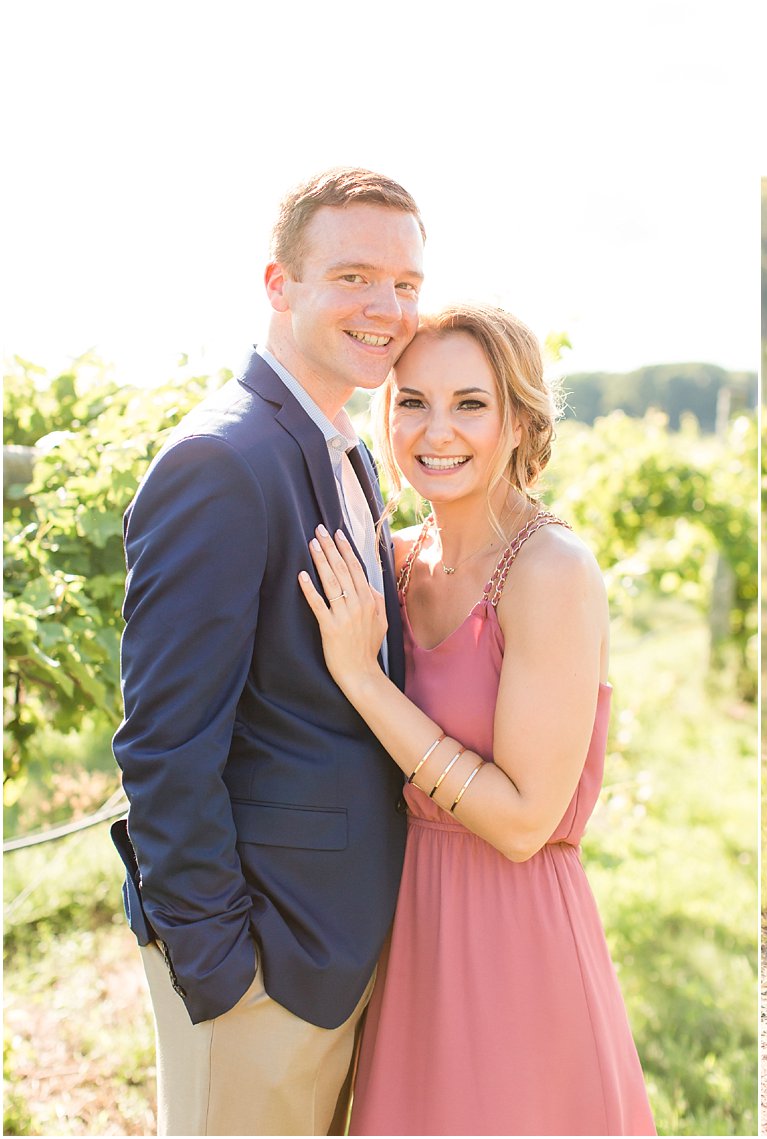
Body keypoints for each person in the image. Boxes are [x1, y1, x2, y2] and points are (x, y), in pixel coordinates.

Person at [111, 167, 424, 1134]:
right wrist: (224, 971)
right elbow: (165, 745)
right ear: (279, 284)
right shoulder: (221, 461)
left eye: (408, 285)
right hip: (263, 970)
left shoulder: (344, 450)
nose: (387, 307)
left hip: (332, 945)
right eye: (355, 277)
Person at [297, 302, 656, 1134]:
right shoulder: (389, 562)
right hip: (401, 926)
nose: (437, 429)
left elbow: (526, 818)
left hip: (513, 935)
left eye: (470, 403)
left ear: (520, 419)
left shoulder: (551, 570)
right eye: (412, 401)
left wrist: (363, 676)